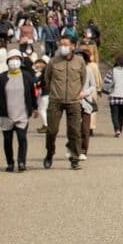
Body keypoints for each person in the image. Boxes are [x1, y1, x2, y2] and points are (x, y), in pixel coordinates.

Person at [42, 38, 86, 170]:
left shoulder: (80, 61)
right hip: (56, 100)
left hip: (73, 101)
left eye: (66, 44)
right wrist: (54, 91)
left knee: (75, 131)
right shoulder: (53, 61)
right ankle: (49, 153)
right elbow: (47, 78)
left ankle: (74, 158)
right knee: (52, 130)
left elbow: (83, 78)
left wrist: (78, 92)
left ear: (73, 46)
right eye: (61, 44)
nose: (63, 47)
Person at [0, 52, 37, 172]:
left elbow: (32, 94)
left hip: (22, 113)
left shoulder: (26, 76)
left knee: (22, 138)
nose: (14, 61)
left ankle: (21, 162)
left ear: (20, 61)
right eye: (11, 59)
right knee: (7, 140)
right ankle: (10, 163)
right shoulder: (2, 77)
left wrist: (35, 108)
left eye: (17, 59)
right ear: (7, 61)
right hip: (7, 114)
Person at [77, 47, 101, 160]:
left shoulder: (89, 69)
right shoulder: (71, 70)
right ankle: (74, 148)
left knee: (85, 128)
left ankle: (83, 150)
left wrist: (85, 93)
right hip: (72, 102)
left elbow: (93, 86)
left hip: (86, 102)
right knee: (73, 127)